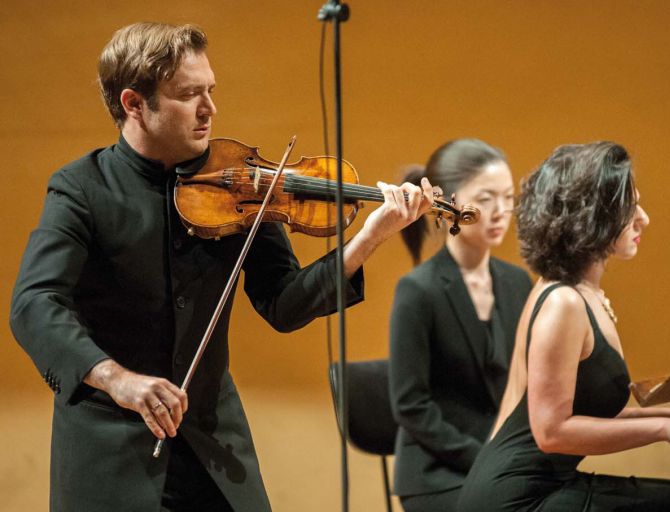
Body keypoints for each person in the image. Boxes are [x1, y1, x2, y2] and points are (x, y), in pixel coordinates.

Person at [9, 22, 433, 512]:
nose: (210, 109)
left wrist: (368, 237)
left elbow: (284, 303)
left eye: (210, 90)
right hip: (109, 454)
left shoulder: (241, 184)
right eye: (189, 94)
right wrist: (116, 378)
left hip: (214, 449)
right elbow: (34, 304)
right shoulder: (81, 189)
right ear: (133, 104)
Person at [456, 141, 670, 511]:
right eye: (630, 207)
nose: (644, 218)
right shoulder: (562, 302)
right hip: (515, 499)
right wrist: (664, 430)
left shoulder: (578, 293)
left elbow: (585, 411)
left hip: (539, 486)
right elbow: (552, 432)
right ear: (593, 215)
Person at [388, 139, 533, 512]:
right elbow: (411, 405)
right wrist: (485, 457)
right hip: (436, 474)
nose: (501, 212)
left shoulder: (517, 282)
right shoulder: (418, 289)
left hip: (497, 464)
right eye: (486, 199)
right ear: (447, 203)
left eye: (508, 197)